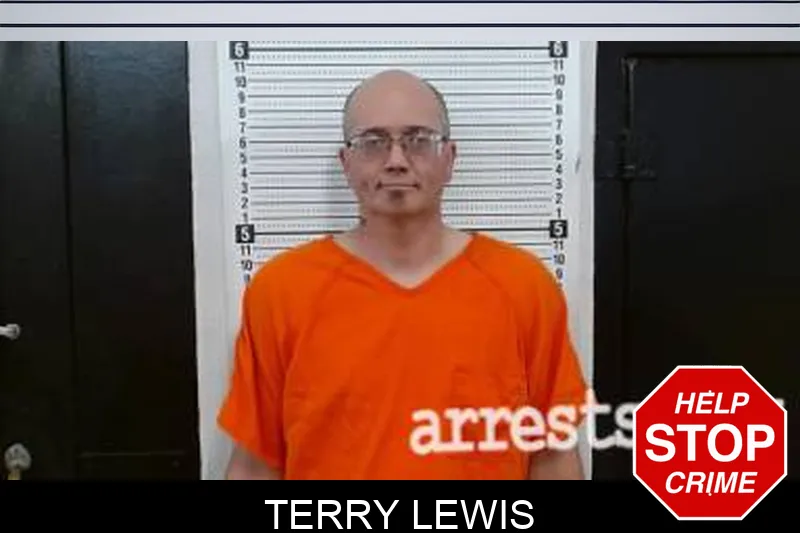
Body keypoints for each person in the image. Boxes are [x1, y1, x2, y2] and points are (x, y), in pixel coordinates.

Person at [217, 69, 588, 480]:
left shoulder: (523, 286)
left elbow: (553, 457)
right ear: (346, 162)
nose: (396, 161)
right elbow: (255, 465)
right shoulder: (281, 292)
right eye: (372, 142)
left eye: (418, 140)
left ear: (449, 158)